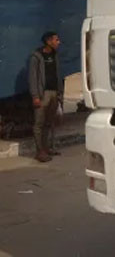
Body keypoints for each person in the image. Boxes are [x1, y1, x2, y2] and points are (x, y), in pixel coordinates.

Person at [29, 31, 63, 163]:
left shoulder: (55, 56)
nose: (58, 42)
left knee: (49, 122)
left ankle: (46, 148)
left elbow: (58, 74)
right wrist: (35, 96)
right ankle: (39, 152)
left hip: (54, 93)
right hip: (42, 95)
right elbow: (32, 78)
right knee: (39, 123)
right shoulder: (36, 57)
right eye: (56, 40)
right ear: (48, 41)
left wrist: (59, 93)